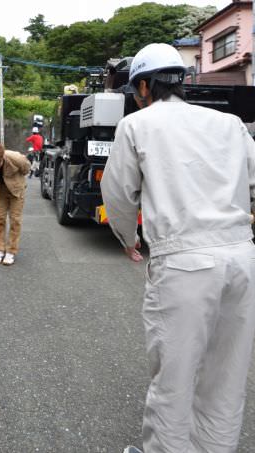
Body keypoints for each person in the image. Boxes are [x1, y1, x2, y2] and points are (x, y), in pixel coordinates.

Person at [101, 43, 255, 453]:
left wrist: (127, 238)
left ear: (145, 87)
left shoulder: (137, 125)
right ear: (182, 80)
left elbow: (117, 193)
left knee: (175, 376)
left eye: (137, 90)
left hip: (184, 261)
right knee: (226, 374)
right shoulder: (230, 123)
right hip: (242, 257)